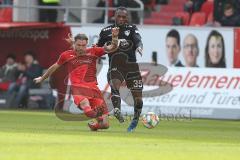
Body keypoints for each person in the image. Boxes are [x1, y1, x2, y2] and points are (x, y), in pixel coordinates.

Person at [34, 28, 119, 131]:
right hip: (78, 89)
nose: (81, 48)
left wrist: (114, 37)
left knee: (105, 125)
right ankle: (95, 115)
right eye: (78, 45)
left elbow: (112, 48)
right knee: (86, 107)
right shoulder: (66, 55)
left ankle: (94, 125)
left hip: (94, 90)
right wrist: (42, 78)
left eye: (83, 45)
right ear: (75, 44)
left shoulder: (94, 51)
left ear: (87, 44)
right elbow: (54, 67)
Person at [97, 7, 143, 132]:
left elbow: (138, 40)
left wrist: (139, 47)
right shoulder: (106, 31)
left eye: (124, 17)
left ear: (127, 17)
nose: (122, 19)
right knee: (114, 83)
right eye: (119, 16)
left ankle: (135, 120)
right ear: (114, 16)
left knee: (138, 99)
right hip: (115, 65)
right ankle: (117, 109)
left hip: (131, 66)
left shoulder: (132, 29)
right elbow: (98, 48)